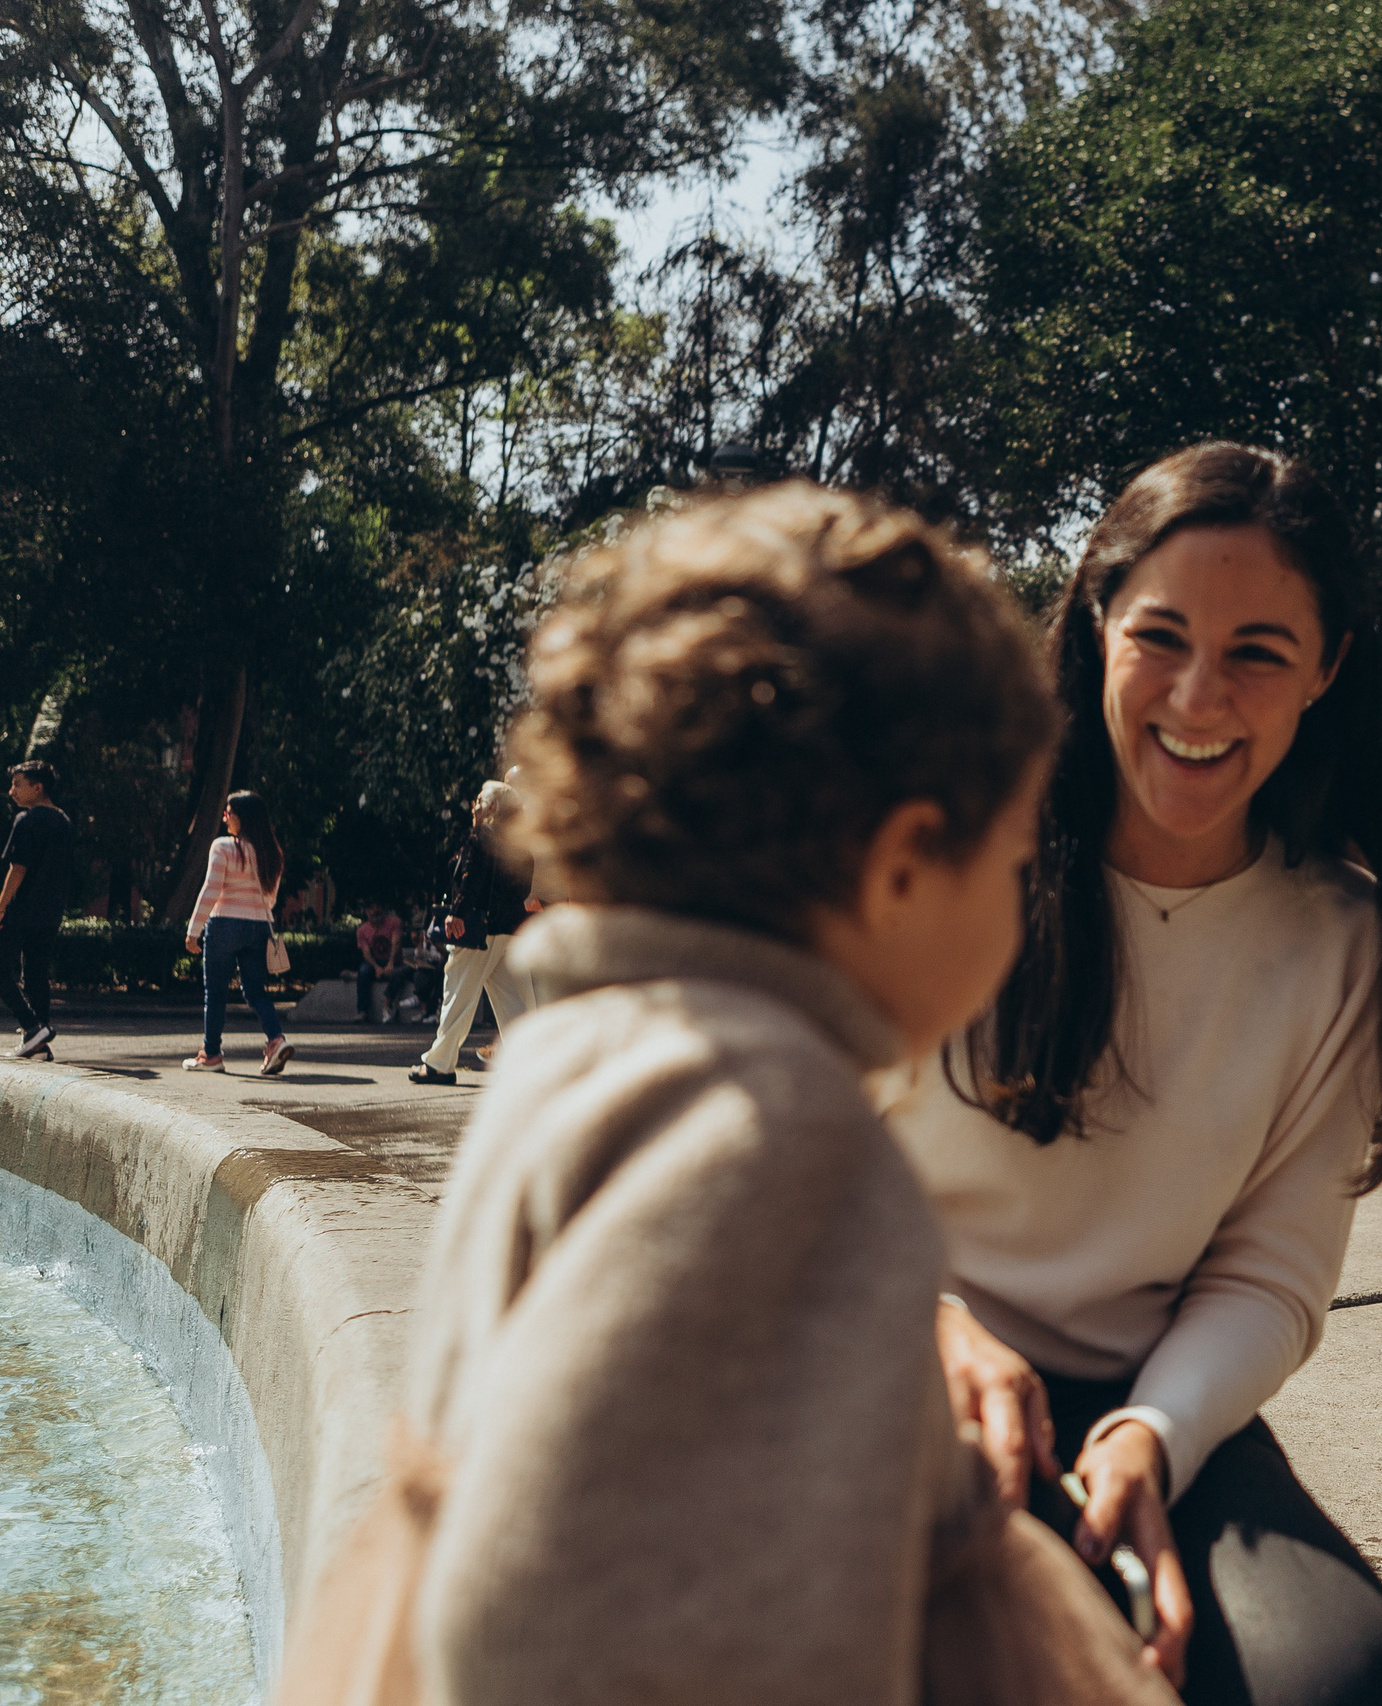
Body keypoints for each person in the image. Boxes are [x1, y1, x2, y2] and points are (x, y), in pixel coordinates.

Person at [377, 483, 1150, 1705]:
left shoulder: (587, 1049)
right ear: (904, 867)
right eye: (1011, 865)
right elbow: (548, 1612)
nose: (1028, 908)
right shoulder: (764, 1127)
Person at [886, 442, 1382, 1704]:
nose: (1198, 698)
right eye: (1161, 635)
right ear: (1094, 624)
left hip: (1146, 1395)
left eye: (1256, 651)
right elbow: (798, 1163)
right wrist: (931, 1326)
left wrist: (1154, 1433)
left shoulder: (1339, 937)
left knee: (1342, 1682)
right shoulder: (951, 853)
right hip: (887, 1347)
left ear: (1328, 669)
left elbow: (1269, 1269)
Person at [409, 783, 535, 1086]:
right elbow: (522, 887)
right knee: (513, 1001)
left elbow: (470, 879)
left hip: (476, 929)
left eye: (479, 801)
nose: (473, 807)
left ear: (491, 809)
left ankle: (439, 1064)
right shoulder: (520, 844)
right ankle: (531, 1062)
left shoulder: (480, 838)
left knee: (458, 994)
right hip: (509, 930)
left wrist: (457, 913)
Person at [183, 790, 293, 1075]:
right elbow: (270, 898)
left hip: (224, 925)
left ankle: (211, 1055)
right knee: (256, 991)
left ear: (241, 818)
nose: (225, 817)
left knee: (216, 993)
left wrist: (193, 930)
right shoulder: (272, 852)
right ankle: (276, 1039)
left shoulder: (223, 847)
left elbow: (211, 889)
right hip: (258, 927)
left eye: (228, 812)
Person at [0, 759, 73, 1061]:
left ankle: (30, 1026)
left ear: (37, 788)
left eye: (17, 784)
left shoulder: (27, 820)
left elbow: (17, 869)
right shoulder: (63, 820)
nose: (12, 791)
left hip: (21, 909)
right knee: (36, 972)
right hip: (50, 912)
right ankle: (38, 1042)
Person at [355, 902, 411, 1021]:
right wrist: (376, 967)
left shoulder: (394, 922)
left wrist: (390, 963)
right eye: (371, 908)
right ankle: (362, 1011)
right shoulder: (362, 930)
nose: (374, 911)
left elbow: (395, 943)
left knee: (398, 973)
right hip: (375, 962)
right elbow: (366, 952)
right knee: (364, 971)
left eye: (377, 907)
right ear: (366, 912)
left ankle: (389, 1006)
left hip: (393, 960)